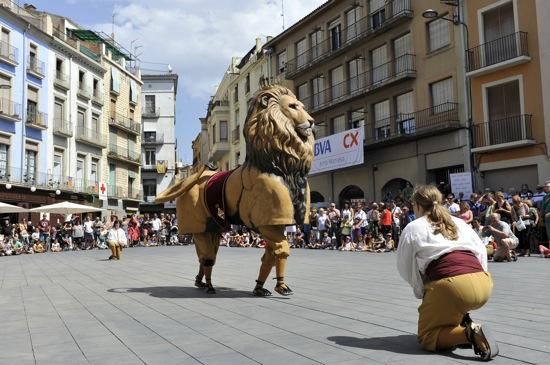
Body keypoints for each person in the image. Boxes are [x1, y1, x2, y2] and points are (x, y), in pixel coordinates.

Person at [396, 185, 498, 361]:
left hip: (451, 286)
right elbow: (481, 251)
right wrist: (479, 276)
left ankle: (471, 333)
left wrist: (422, 290)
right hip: (483, 283)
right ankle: (461, 320)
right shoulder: (458, 222)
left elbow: (404, 267)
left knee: (427, 337)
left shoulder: (413, 227)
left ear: (417, 206)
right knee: (448, 300)